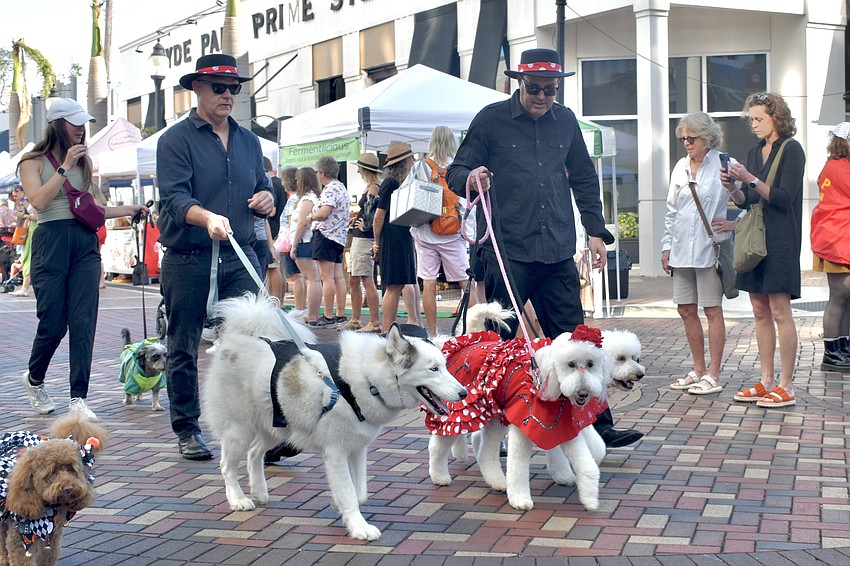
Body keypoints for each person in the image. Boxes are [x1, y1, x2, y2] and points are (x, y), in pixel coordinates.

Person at [445, 48, 641, 448]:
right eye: (534, 88)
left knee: (577, 342)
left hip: (555, 250)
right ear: (519, 83)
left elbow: (584, 178)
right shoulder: (490, 119)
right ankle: (490, 429)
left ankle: (598, 427)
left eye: (550, 90)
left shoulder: (565, 121)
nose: (542, 97)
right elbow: (454, 171)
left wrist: (596, 232)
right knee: (501, 347)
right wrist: (472, 175)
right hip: (509, 250)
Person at [157, 54, 275, 460]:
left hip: (241, 255)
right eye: (219, 87)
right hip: (189, 258)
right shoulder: (174, 140)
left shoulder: (249, 140)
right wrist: (206, 216)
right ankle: (187, 429)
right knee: (184, 346)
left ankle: (265, 434)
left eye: (233, 88)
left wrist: (267, 198)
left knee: (257, 343)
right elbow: (173, 199)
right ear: (197, 89)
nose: (228, 95)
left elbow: (264, 188)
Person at [17, 98, 147, 420]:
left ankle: (79, 398)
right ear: (57, 124)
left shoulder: (85, 162)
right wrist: (63, 169)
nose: (81, 128)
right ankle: (35, 379)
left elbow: (91, 208)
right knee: (53, 323)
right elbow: (39, 202)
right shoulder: (31, 161)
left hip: (84, 244)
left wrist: (127, 210)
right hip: (51, 242)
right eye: (74, 122)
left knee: (83, 321)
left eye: (82, 122)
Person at [724, 92, 806, 408]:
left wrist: (750, 178)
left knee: (780, 312)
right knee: (759, 311)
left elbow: (784, 198)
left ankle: (786, 384)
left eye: (759, 119)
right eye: (752, 120)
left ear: (776, 118)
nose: (754, 125)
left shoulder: (791, 149)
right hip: (756, 239)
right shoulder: (755, 151)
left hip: (781, 240)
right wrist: (733, 187)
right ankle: (767, 380)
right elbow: (749, 200)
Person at [661, 113, 732, 396]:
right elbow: (672, 210)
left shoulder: (725, 163)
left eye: (692, 138)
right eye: (683, 139)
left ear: (708, 137)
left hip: (709, 248)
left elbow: (749, 199)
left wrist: (733, 223)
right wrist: (666, 246)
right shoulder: (680, 166)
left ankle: (713, 374)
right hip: (680, 249)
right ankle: (698, 369)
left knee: (712, 310)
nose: (687, 143)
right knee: (685, 309)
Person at [410, 126, 470, 337]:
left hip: (426, 232)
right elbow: (466, 201)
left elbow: (409, 195)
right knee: (465, 280)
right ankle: (471, 330)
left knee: (429, 281)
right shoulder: (458, 167)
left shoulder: (420, 167)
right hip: (453, 233)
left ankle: (433, 333)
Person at [810, 122, 850, 372]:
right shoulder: (840, 168)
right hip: (837, 237)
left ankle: (842, 347)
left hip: (837, 235)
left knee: (845, 297)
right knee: (840, 296)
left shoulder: (834, 166)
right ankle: (832, 352)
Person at [372, 142, 418, 333]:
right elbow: (379, 216)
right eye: (411, 159)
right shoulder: (391, 183)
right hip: (393, 238)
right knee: (393, 286)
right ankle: (386, 330)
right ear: (405, 162)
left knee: (396, 285)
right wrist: (376, 242)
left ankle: (388, 328)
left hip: (399, 235)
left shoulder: (396, 183)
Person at [340, 153, 382, 333]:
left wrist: (364, 225)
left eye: (359, 167)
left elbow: (374, 213)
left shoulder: (373, 188)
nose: (357, 170)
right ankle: (358, 319)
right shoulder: (372, 187)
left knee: (364, 279)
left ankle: (372, 321)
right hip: (362, 238)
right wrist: (359, 220)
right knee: (357, 278)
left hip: (364, 239)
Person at [312, 156, 350, 327]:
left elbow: (323, 213)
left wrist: (310, 216)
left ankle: (328, 315)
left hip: (326, 234)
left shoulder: (329, 190)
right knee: (338, 277)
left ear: (322, 173)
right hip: (339, 237)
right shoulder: (342, 188)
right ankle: (340, 313)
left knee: (326, 278)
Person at [290, 167, 323, 326]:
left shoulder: (307, 200)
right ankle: (312, 314)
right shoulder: (314, 197)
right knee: (314, 279)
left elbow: (302, 223)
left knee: (313, 280)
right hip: (310, 241)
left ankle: (311, 315)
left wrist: (294, 244)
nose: (295, 181)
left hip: (305, 242)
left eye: (297, 179)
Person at [280, 166, 306, 315]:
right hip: (297, 240)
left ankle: (299, 307)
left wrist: (291, 243)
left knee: (296, 276)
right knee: (300, 276)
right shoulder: (300, 198)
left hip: (291, 241)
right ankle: (301, 307)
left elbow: (291, 223)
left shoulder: (293, 200)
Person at [262, 156, 287, 298]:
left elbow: (271, 211)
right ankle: (280, 301)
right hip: (280, 229)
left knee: (272, 267)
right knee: (278, 268)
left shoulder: (270, 184)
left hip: (272, 230)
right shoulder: (280, 183)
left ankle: (276, 301)